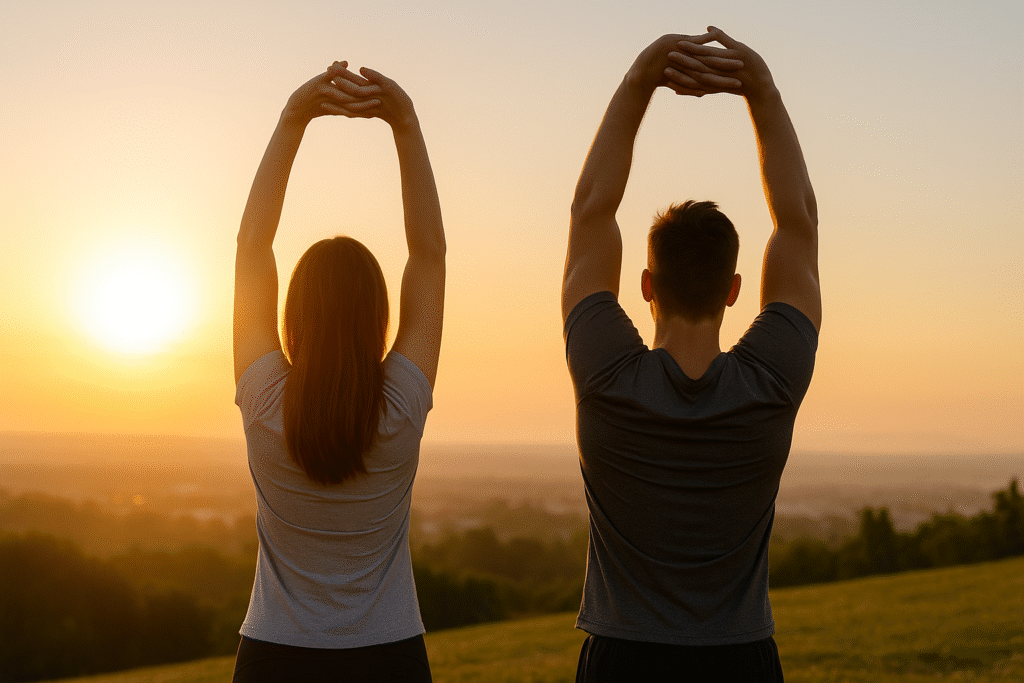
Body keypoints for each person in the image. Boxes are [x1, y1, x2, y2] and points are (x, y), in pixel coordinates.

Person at [562, 27, 820, 682]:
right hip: (742, 661)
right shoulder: (772, 378)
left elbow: (591, 211)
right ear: (736, 290)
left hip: (621, 661)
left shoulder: (605, 374)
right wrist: (760, 89)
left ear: (646, 285)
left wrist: (639, 81)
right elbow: (799, 223)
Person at [231, 62, 444, 682]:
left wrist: (294, 117)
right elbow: (429, 256)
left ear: (293, 317)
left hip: (274, 658)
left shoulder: (265, 400)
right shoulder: (401, 404)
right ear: (380, 317)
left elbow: (252, 250)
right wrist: (404, 122)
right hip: (390, 658)